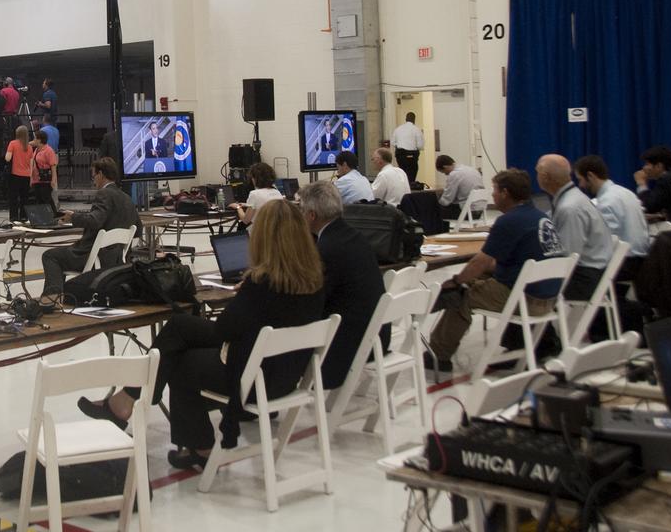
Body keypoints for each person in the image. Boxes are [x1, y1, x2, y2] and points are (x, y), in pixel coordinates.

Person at [76, 200, 325, 469]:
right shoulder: (315, 280)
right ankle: (135, 404)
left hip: (255, 378)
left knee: (179, 358)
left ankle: (189, 438)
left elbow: (226, 329)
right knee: (180, 328)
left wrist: (241, 296)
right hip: (287, 375)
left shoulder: (262, 284)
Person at [426, 169, 565, 371]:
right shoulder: (540, 216)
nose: (492, 195)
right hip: (549, 295)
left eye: (495, 190)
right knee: (478, 277)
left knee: (461, 295)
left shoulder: (508, 221)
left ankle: (438, 355)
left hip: (527, 299)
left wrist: (456, 281)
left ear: (505, 193)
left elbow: (480, 262)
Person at [298, 181, 387, 389]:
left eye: (301, 209)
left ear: (311, 215)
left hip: (346, 346)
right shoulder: (356, 237)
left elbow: (314, 300)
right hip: (376, 336)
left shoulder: (327, 249)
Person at [42, 157, 138, 296]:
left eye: (94, 176)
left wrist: (73, 217)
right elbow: (137, 229)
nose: (93, 180)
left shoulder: (104, 194)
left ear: (101, 175)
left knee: (50, 256)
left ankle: (52, 299)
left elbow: (94, 221)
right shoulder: (126, 197)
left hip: (95, 257)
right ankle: (59, 298)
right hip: (117, 259)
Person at [536, 154, 616, 304]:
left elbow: (566, 257)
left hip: (585, 279)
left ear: (545, 177)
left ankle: (539, 327)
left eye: (537, 173)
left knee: (523, 283)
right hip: (591, 272)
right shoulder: (572, 198)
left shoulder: (570, 208)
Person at [574, 155, 650, 280]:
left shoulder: (607, 201)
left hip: (625, 264)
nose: (580, 185)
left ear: (591, 176)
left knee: (578, 270)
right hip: (640, 260)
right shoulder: (625, 192)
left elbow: (604, 244)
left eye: (580, 179)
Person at [436, 154, 485, 220]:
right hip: (480, 210)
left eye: (443, 172)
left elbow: (446, 201)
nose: (445, 174)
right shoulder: (471, 169)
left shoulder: (454, 174)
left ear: (445, 167)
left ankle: (436, 229)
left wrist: (437, 200)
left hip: (468, 213)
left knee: (433, 209)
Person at [4, 125, 33, 222]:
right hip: (27, 175)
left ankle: (14, 217)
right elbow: (31, 162)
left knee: (14, 197)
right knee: (25, 198)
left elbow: (7, 158)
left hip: (15, 174)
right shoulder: (29, 147)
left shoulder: (13, 143)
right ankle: (24, 217)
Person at [391, 112, 424, 186]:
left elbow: (393, 142)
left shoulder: (398, 129)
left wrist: (399, 145)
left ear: (406, 119)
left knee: (402, 172)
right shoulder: (417, 130)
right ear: (414, 120)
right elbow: (420, 146)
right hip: (412, 155)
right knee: (412, 171)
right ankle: (411, 186)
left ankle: (403, 186)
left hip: (401, 155)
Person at [30, 133, 59, 211]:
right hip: (36, 179)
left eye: (35, 139)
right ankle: (43, 218)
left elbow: (53, 165)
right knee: (39, 199)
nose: (34, 140)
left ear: (39, 140)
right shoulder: (36, 150)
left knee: (46, 198)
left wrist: (53, 179)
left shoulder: (48, 150)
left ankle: (54, 215)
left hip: (45, 179)